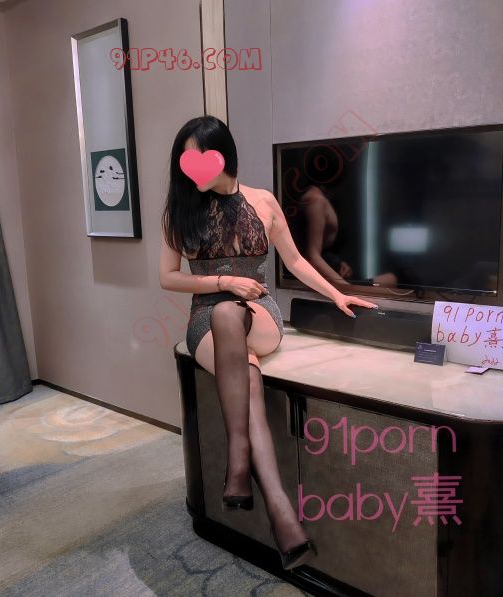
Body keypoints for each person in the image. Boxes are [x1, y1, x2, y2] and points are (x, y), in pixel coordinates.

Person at [159, 116, 378, 569]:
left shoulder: (262, 200)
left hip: (259, 316)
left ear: (223, 155)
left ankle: (239, 460)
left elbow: (296, 261)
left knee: (231, 314)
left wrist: (337, 294)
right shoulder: (179, 211)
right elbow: (168, 278)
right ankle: (283, 516)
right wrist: (223, 282)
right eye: (185, 160)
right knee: (241, 358)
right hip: (205, 321)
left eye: (200, 157)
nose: (191, 169)